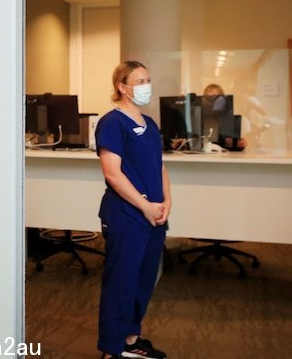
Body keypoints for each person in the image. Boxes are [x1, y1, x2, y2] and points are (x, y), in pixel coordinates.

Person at [96, 60, 171, 359]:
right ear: (122, 87)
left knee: (143, 281)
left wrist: (166, 203)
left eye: (148, 80)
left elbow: (160, 167)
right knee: (121, 282)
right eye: (140, 81)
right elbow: (112, 173)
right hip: (127, 215)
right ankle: (112, 349)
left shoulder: (150, 124)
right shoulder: (112, 123)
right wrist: (144, 206)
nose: (146, 86)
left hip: (154, 216)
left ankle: (130, 340)